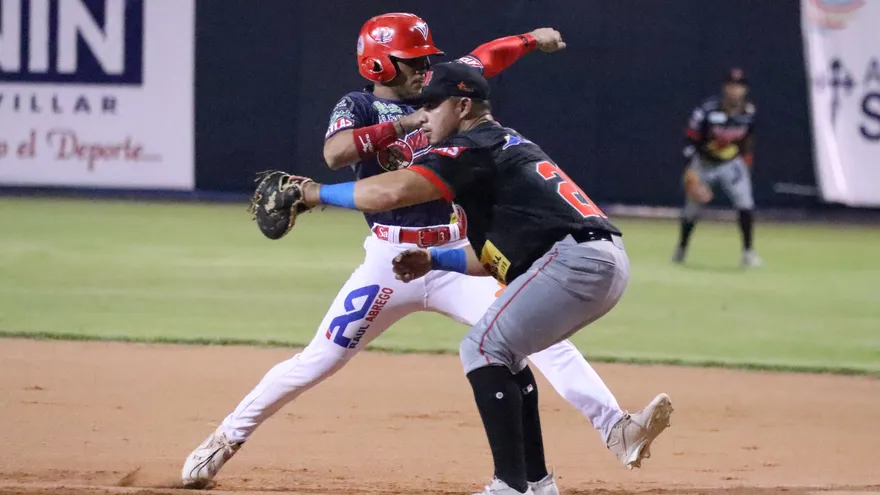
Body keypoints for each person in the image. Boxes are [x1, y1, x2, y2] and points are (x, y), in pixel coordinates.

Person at [182, 14, 638, 494]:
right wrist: (407, 121)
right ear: (378, 63)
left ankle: (614, 428)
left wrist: (529, 40)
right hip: (387, 262)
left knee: (538, 342)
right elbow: (336, 154)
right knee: (318, 359)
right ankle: (225, 437)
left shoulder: (445, 90)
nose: (425, 67)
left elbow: (486, 55)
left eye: (426, 59)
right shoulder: (358, 104)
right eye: (413, 60)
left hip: (457, 257)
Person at [292, 62, 674, 495]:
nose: (425, 116)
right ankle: (538, 481)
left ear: (463, 105)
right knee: (505, 353)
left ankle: (509, 485)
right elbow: (491, 257)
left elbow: (388, 192)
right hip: (601, 259)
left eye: (434, 106)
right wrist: (434, 260)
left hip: (573, 261)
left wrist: (313, 193)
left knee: (481, 346)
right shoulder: (504, 144)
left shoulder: (468, 147)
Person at [674, 67, 762, 267]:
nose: (735, 90)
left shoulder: (749, 112)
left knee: (746, 204)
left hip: (731, 164)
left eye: (739, 86)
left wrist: (746, 165)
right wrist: (690, 174)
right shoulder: (707, 111)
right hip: (704, 162)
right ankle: (681, 249)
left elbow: (748, 142)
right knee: (691, 210)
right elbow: (689, 141)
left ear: (745, 90)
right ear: (725, 87)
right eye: (731, 86)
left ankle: (748, 252)